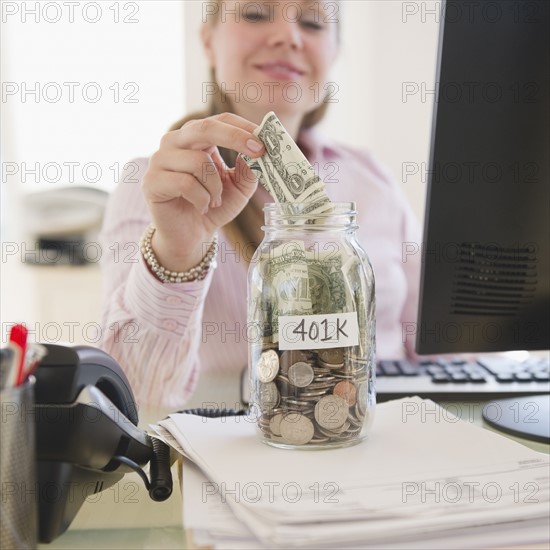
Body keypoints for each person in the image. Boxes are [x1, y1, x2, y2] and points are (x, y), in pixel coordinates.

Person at [99, 0, 421, 408]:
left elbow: (443, 352)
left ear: (334, 53)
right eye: (255, 14)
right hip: (246, 451)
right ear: (208, 42)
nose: (287, 35)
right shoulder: (157, 189)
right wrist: (177, 253)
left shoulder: (373, 180)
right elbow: (132, 396)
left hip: (384, 439)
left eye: (312, 23)